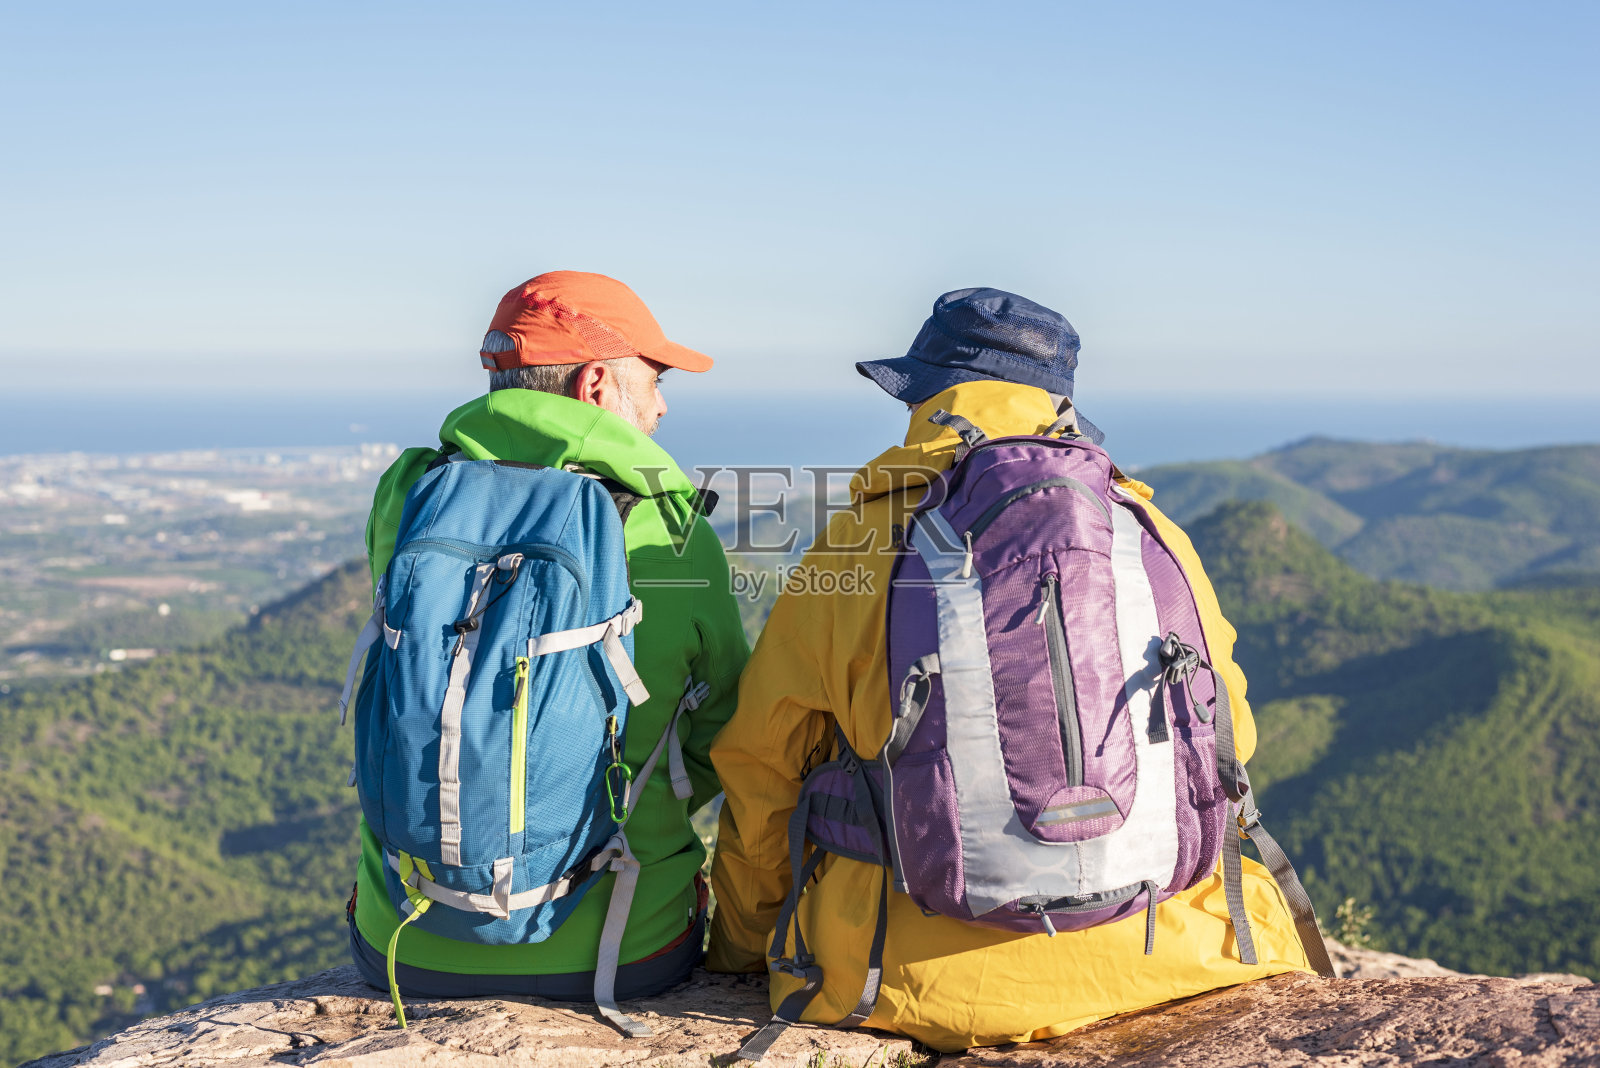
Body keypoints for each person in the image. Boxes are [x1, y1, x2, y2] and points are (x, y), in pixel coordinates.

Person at [707, 288, 1319, 1053]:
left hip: (909, 976)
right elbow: (1231, 736)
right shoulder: (1148, 528)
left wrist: (740, 946)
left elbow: (764, 764)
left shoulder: (862, 539)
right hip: (1180, 950)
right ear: (1060, 405)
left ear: (927, 397)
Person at [347, 270, 749, 1005]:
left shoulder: (408, 500)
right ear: (595, 384)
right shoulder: (669, 529)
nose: (660, 407)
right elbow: (723, 731)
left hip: (402, 945)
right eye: (654, 381)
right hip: (624, 946)